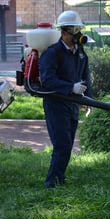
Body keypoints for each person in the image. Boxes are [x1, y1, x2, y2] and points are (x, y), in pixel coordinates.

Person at [38, 10, 93, 188]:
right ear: (64, 32)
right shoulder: (52, 53)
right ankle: (51, 183)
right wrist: (70, 87)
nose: (78, 34)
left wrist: (88, 100)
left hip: (73, 104)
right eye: (75, 30)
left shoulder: (80, 52)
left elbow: (86, 76)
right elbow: (48, 80)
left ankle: (60, 178)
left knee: (68, 145)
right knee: (62, 145)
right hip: (56, 104)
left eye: (79, 30)